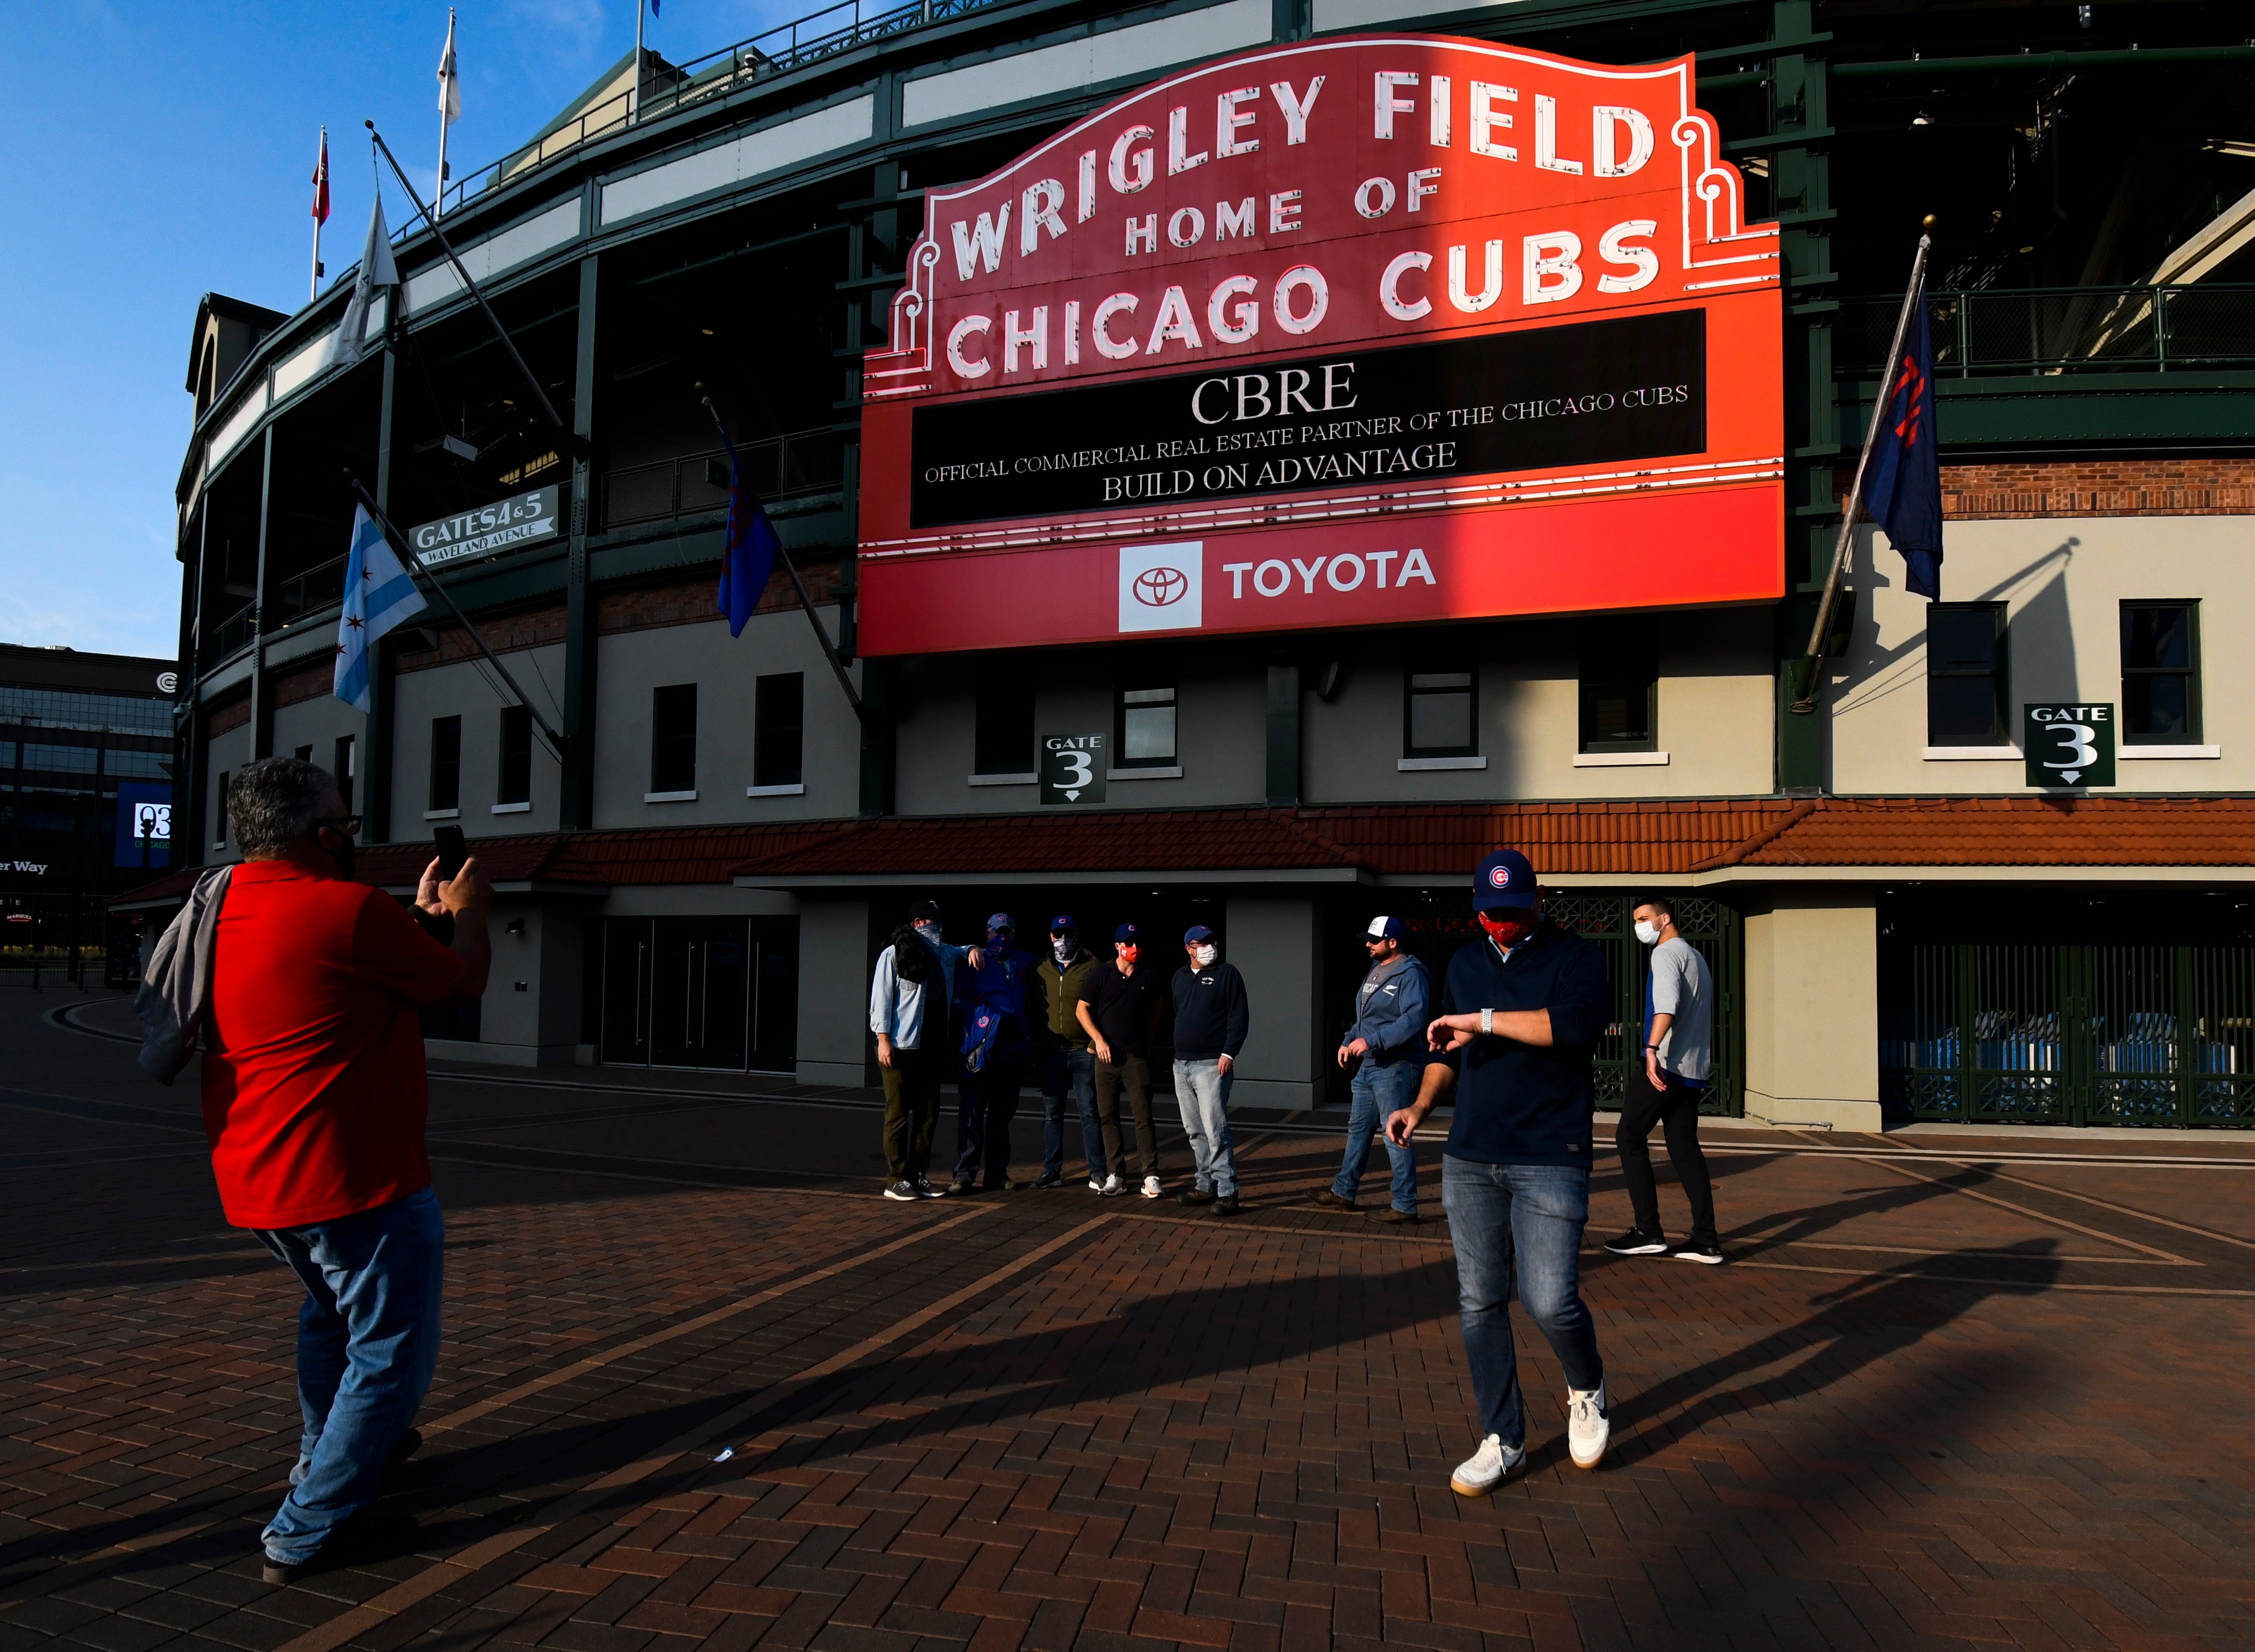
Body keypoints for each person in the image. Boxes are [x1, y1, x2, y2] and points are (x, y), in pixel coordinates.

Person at [192, 757, 491, 1584]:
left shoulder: (220, 905)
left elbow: (355, 975)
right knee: (391, 1352)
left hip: (257, 1178)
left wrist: (421, 920)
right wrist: (469, 914)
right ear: (324, 834)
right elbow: (462, 981)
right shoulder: (349, 909)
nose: (353, 837)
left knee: (331, 1318)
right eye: (350, 825)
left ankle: (324, 1462)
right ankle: (309, 1526)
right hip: (356, 1179)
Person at [1384, 849, 1613, 1494]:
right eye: (1490, 914)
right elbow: (1446, 1050)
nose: (1501, 925)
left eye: (1513, 914)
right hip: (1470, 1156)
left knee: (1549, 1299)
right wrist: (1421, 1104)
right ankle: (1502, 1437)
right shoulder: (1464, 961)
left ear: (1537, 902)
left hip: (1549, 1153)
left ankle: (1587, 1385)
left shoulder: (1577, 958)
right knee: (1480, 1302)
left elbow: (1573, 1027)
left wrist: (1481, 1020)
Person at [1604, 897, 1721, 1264]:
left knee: (1628, 1136)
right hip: (1692, 1070)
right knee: (1684, 1148)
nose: (1638, 925)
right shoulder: (1696, 957)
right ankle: (1706, 1240)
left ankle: (1648, 1231)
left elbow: (1665, 1005)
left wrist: (1651, 1049)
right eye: (1635, 919)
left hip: (1666, 1065)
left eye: (1643, 918)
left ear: (1664, 919)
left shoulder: (1666, 954)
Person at [1313, 916, 1431, 1223]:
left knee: (1395, 1135)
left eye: (1374, 940)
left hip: (1397, 1067)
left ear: (1393, 942)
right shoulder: (1376, 971)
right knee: (1359, 1131)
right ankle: (1344, 1192)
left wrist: (1373, 1041)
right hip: (1370, 1066)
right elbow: (1365, 1018)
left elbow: (1413, 1020)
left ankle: (1405, 1205)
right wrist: (1349, 1039)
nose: (1367, 944)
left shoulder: (1411, 974)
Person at [870, 899, 980, 1201]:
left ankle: (918, 1176)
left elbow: (962, 950)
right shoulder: (893, 955)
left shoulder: (945, 953)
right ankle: (895, 1179)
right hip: (901, 1045)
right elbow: (881, 1000)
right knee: (898, 1114)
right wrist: (883, 1041)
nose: (933, 924)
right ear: (916, 924)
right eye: (927, 919)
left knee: (928, 1115)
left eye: (937, 919)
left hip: (932, 1046)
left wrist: (973, 949)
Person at [1076, 921, 1165, 1197]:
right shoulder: (1100, 974)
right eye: (1128, 944)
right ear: (1118, 946)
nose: (1134, 948)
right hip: (1106, 1058)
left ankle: (1150, 1175)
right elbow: (1082, 1010)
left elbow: (1157, 1009)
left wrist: (1145, 1042)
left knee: (1144, 1117)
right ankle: (1117, 1174)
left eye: (1138, 943)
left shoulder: (1149, 976)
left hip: (1136, 1057)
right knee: (1108, 1117)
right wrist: (1099, 1041)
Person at [952, 913, 1034, 1193]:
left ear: (1013, 933)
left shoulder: (1024, 961)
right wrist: (987, 1019)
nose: (1001, 937)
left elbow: (1055, 965)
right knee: (972, 1114)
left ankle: (997, 1173)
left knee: (1001, 1117)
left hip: (1011, 1052)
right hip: (979, 1050)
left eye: (1006, 931)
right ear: (986, 934)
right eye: (995, 932)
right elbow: (958, 1002)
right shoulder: (974, 963)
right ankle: (964, 1175)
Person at [1171, 925, 1249, 1216]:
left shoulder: (1227, 974)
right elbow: (1178, 1012)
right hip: (1182, 1064)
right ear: (1188, 948)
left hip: (1211, 1065)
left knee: (1216, 1130)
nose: (1208, 947)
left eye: (1210, 941)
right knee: (1194, 1131)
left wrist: (1229, 1052)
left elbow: (1239, 1016)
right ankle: (1205, 1186)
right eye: (1200, 943)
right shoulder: (1179, 977)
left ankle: (1228, 1192)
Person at [1029, 915, 1104, 1191]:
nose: (1063, 940)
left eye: (1068, 934)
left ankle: (1097, 1171)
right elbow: (1033, 1008)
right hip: (1051, 1052)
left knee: (1090, 1114)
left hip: (1083, 1052)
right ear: (1050, 937)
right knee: (1052, 1115)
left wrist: (1095, 1043)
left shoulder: (1092, 966)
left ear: (1077, 935)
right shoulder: (1040, 967)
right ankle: (1052, 1171)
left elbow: (1102, 1006)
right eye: (1058, 934)